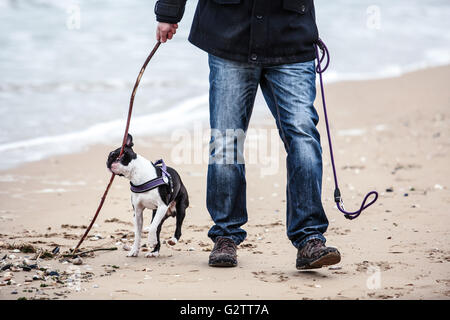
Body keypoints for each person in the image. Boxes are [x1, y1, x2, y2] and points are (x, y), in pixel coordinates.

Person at [154, 0, 341, 270]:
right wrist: (169, 12)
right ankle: (226, 236)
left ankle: (310, 238)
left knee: (303, 136)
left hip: (291, 36)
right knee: (227, 141)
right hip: (229, 35)